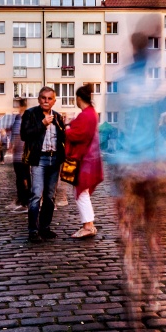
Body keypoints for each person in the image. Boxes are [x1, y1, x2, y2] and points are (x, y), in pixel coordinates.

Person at [106, 18, 166, 332]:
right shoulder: (157, 81)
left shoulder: (118, 83)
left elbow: (111, 130)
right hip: (156, 169)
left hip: (128, 169)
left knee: (128, 242)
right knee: (156, 236)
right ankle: (155, 295)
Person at [21, 86, 66, 243]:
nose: (46, 101)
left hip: (55, 160)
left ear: (54, 101)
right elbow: (24, 134)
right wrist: (42, 124)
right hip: (39, 159)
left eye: (49, 98)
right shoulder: (30, 113)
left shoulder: (59, 117)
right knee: (36, 194)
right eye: (43, 98)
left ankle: (44, 228)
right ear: (39, 99)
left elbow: (62, 139)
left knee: (50, 196)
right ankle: (33, 230)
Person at [65, 85, 104, 238]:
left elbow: (79, 134)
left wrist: (66, 130)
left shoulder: (86, 114)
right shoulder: (91, 113)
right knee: (82, 192)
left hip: (85, 159)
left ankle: (88, 225)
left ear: (78, 98)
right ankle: (90, 225)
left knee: (81, 191)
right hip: (91, 158)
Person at [6, 98, 30, 214]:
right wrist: (12, 145)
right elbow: (14, 136)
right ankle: (21, 200)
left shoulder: (26, 119)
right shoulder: (17, 118)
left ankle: (25, 202)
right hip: (18, 154)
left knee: (23, 178)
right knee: (20, 178)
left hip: (23, 154)